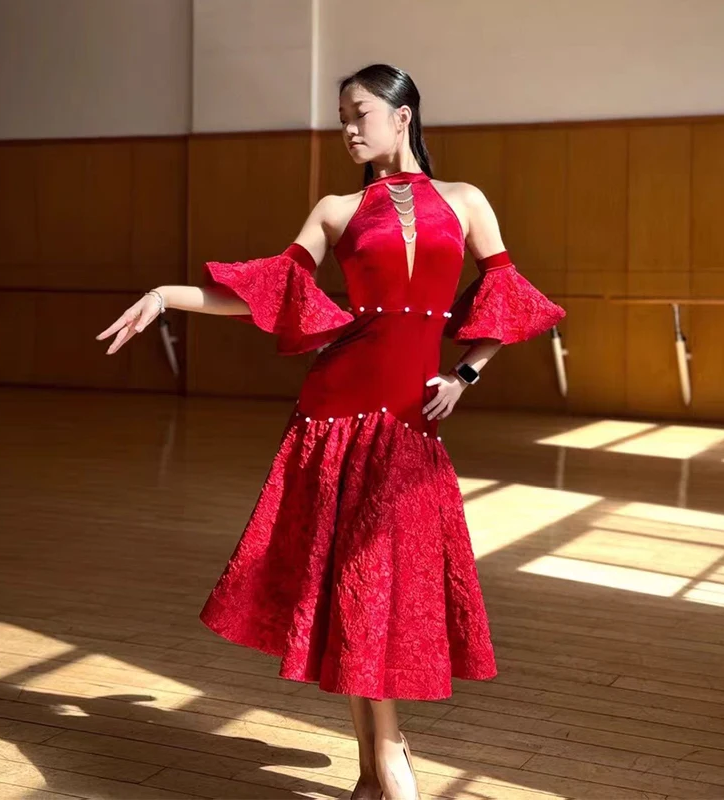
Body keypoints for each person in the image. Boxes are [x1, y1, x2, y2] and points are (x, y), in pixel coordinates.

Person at [97, 63, 566, 800]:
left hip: (410, 423)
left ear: (402, 115)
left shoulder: (466, 201)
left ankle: (377, 766)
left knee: (378, 590)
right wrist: (166, 296)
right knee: (355, 588)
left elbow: (506, 302)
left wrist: (466, 375)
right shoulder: (335, 210)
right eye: (341, 116)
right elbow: (266, 294)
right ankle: (389, 761)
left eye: (359, 113)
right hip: (335, 414)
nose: (347, 128)